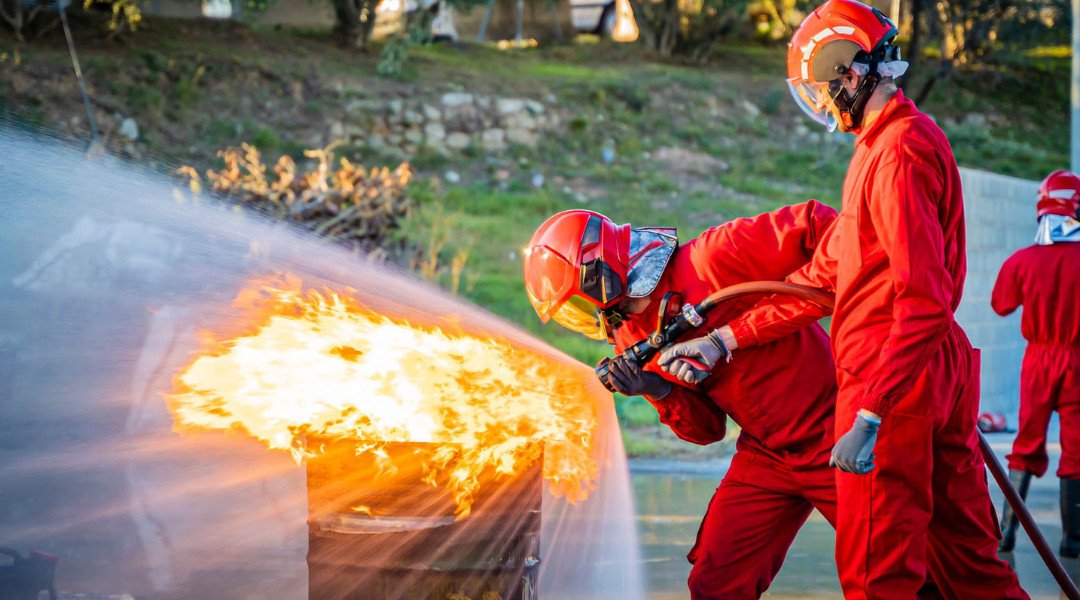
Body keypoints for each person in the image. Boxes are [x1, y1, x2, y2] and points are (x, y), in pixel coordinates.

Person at [658, 1, 1028, 598]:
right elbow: (822, 278)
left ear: (852, 74)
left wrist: (873, 412)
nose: (825, 106)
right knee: (971, 566)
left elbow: (924, 298)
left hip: (894, 371)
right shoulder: (886, 146)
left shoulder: (897, 154)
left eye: (823, 91)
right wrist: (723, 338)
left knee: (876, 572)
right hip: (928, 365)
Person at [522, 203, 840, 599]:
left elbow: (822, 226)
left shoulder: (712, 259)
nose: (589, 315)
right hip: (768, 452)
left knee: (893, 572)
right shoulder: (630, 338)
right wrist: (656, 389)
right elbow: (708, 430)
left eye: (579, 302)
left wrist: (733, 334)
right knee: (715, 583)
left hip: (840, 435)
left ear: (599, 275)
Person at [992, 169, 1080, 556]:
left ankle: (1006, 534)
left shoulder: (1022, 261)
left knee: (1026, 443)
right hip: (1078, 360)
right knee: (1077, 448)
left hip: (1038, 361)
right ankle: (1073, 541)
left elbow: (1000, 304)